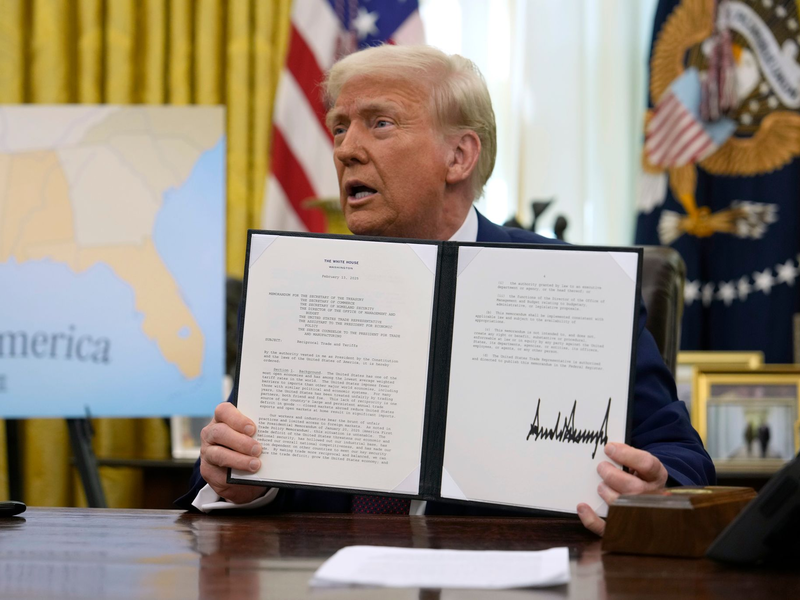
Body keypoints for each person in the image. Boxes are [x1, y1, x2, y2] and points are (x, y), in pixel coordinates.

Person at [177, 44, 715, 535]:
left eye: (380, 123)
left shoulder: (577, 288)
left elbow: (680, 457)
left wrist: (652, 489)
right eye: (339, 128)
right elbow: (234, 466)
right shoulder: (300, 286)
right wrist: (238, 480)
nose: (345, 150)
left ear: (459, 156)